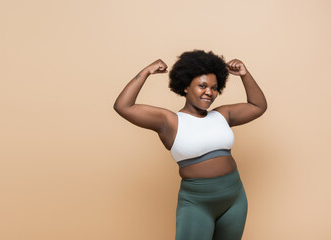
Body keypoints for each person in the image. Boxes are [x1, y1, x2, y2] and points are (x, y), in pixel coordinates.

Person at [113, 50, 267, 240]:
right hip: (197, 203)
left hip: (234, 199)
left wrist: (245, 75)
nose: (209, 92)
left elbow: (258, 106)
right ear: (186, 86)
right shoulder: (169, 121)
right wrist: (147, 71)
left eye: (214, 87)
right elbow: (123, 106)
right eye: (202, 86)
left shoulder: (222, 114)